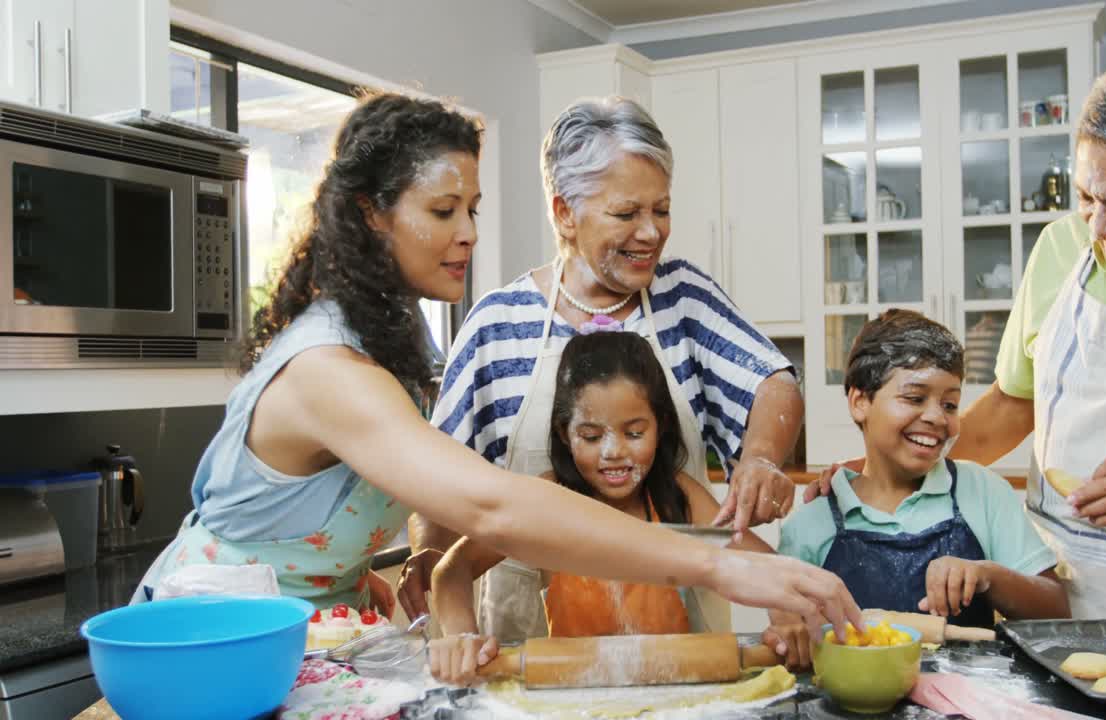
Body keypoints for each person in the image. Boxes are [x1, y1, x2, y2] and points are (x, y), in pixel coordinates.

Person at [130, 93, 860, 639]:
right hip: (218, 633)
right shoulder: (329, 366)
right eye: (445, 211)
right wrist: (712, 563)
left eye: (472, 210)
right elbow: (487, 506)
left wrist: (355, 582)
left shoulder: (385, 342)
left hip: (313, 630)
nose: (471, 234)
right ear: (372, 214)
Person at [811, 58, 1106, 618]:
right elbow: (1017, 402)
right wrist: (888, 466)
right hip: (1044, 609)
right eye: (1087, 197)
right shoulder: (1062, 248)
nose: (1101, 227)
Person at [406, 97, 806, 640]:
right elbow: (436, 481)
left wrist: (760, 459)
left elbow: (773, 384)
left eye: (660, 210)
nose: (650, 233)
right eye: (626, 213)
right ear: (565, 211)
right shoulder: (496, 324)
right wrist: (435, 578)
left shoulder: (684, 298)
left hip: (685, 642)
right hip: (530, 648)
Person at [427, 331, 813, 683]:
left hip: (674, 695)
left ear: (659, 425)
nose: (613, 453)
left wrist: (786, 613)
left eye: (634, 432)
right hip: (572, 699)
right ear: (565, 433)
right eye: (591, 436)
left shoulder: (675, 495)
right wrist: (463, 638)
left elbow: (762, 564)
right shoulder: (547, 500)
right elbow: (452, 570)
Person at [780, 310, 1067, 629]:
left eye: (950, 405)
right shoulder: (810, 524)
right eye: (915, 398)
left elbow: (1056, 610)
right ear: (860, 402)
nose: (936, 417)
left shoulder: (982, 492)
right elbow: (793, 633)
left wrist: (987, 577)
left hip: (973, 681)